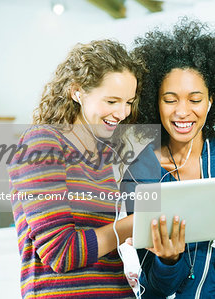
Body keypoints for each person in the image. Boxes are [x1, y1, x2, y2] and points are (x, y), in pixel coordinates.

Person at [121, 19, 215, 298]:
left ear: (212, 99)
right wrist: (169, 260)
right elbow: (153, 288)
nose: (182, 112)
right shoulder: (138, 170)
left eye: (195, 99)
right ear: (156, 101)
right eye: (170, 99)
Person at [8, 39, 144, 298]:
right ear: (77, 91)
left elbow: (102, 243)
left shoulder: (104, 154)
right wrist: (135, 224)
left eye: (128, 101)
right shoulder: (42, 143)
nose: (123, 112)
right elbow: (61, 253)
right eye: (112, 101)